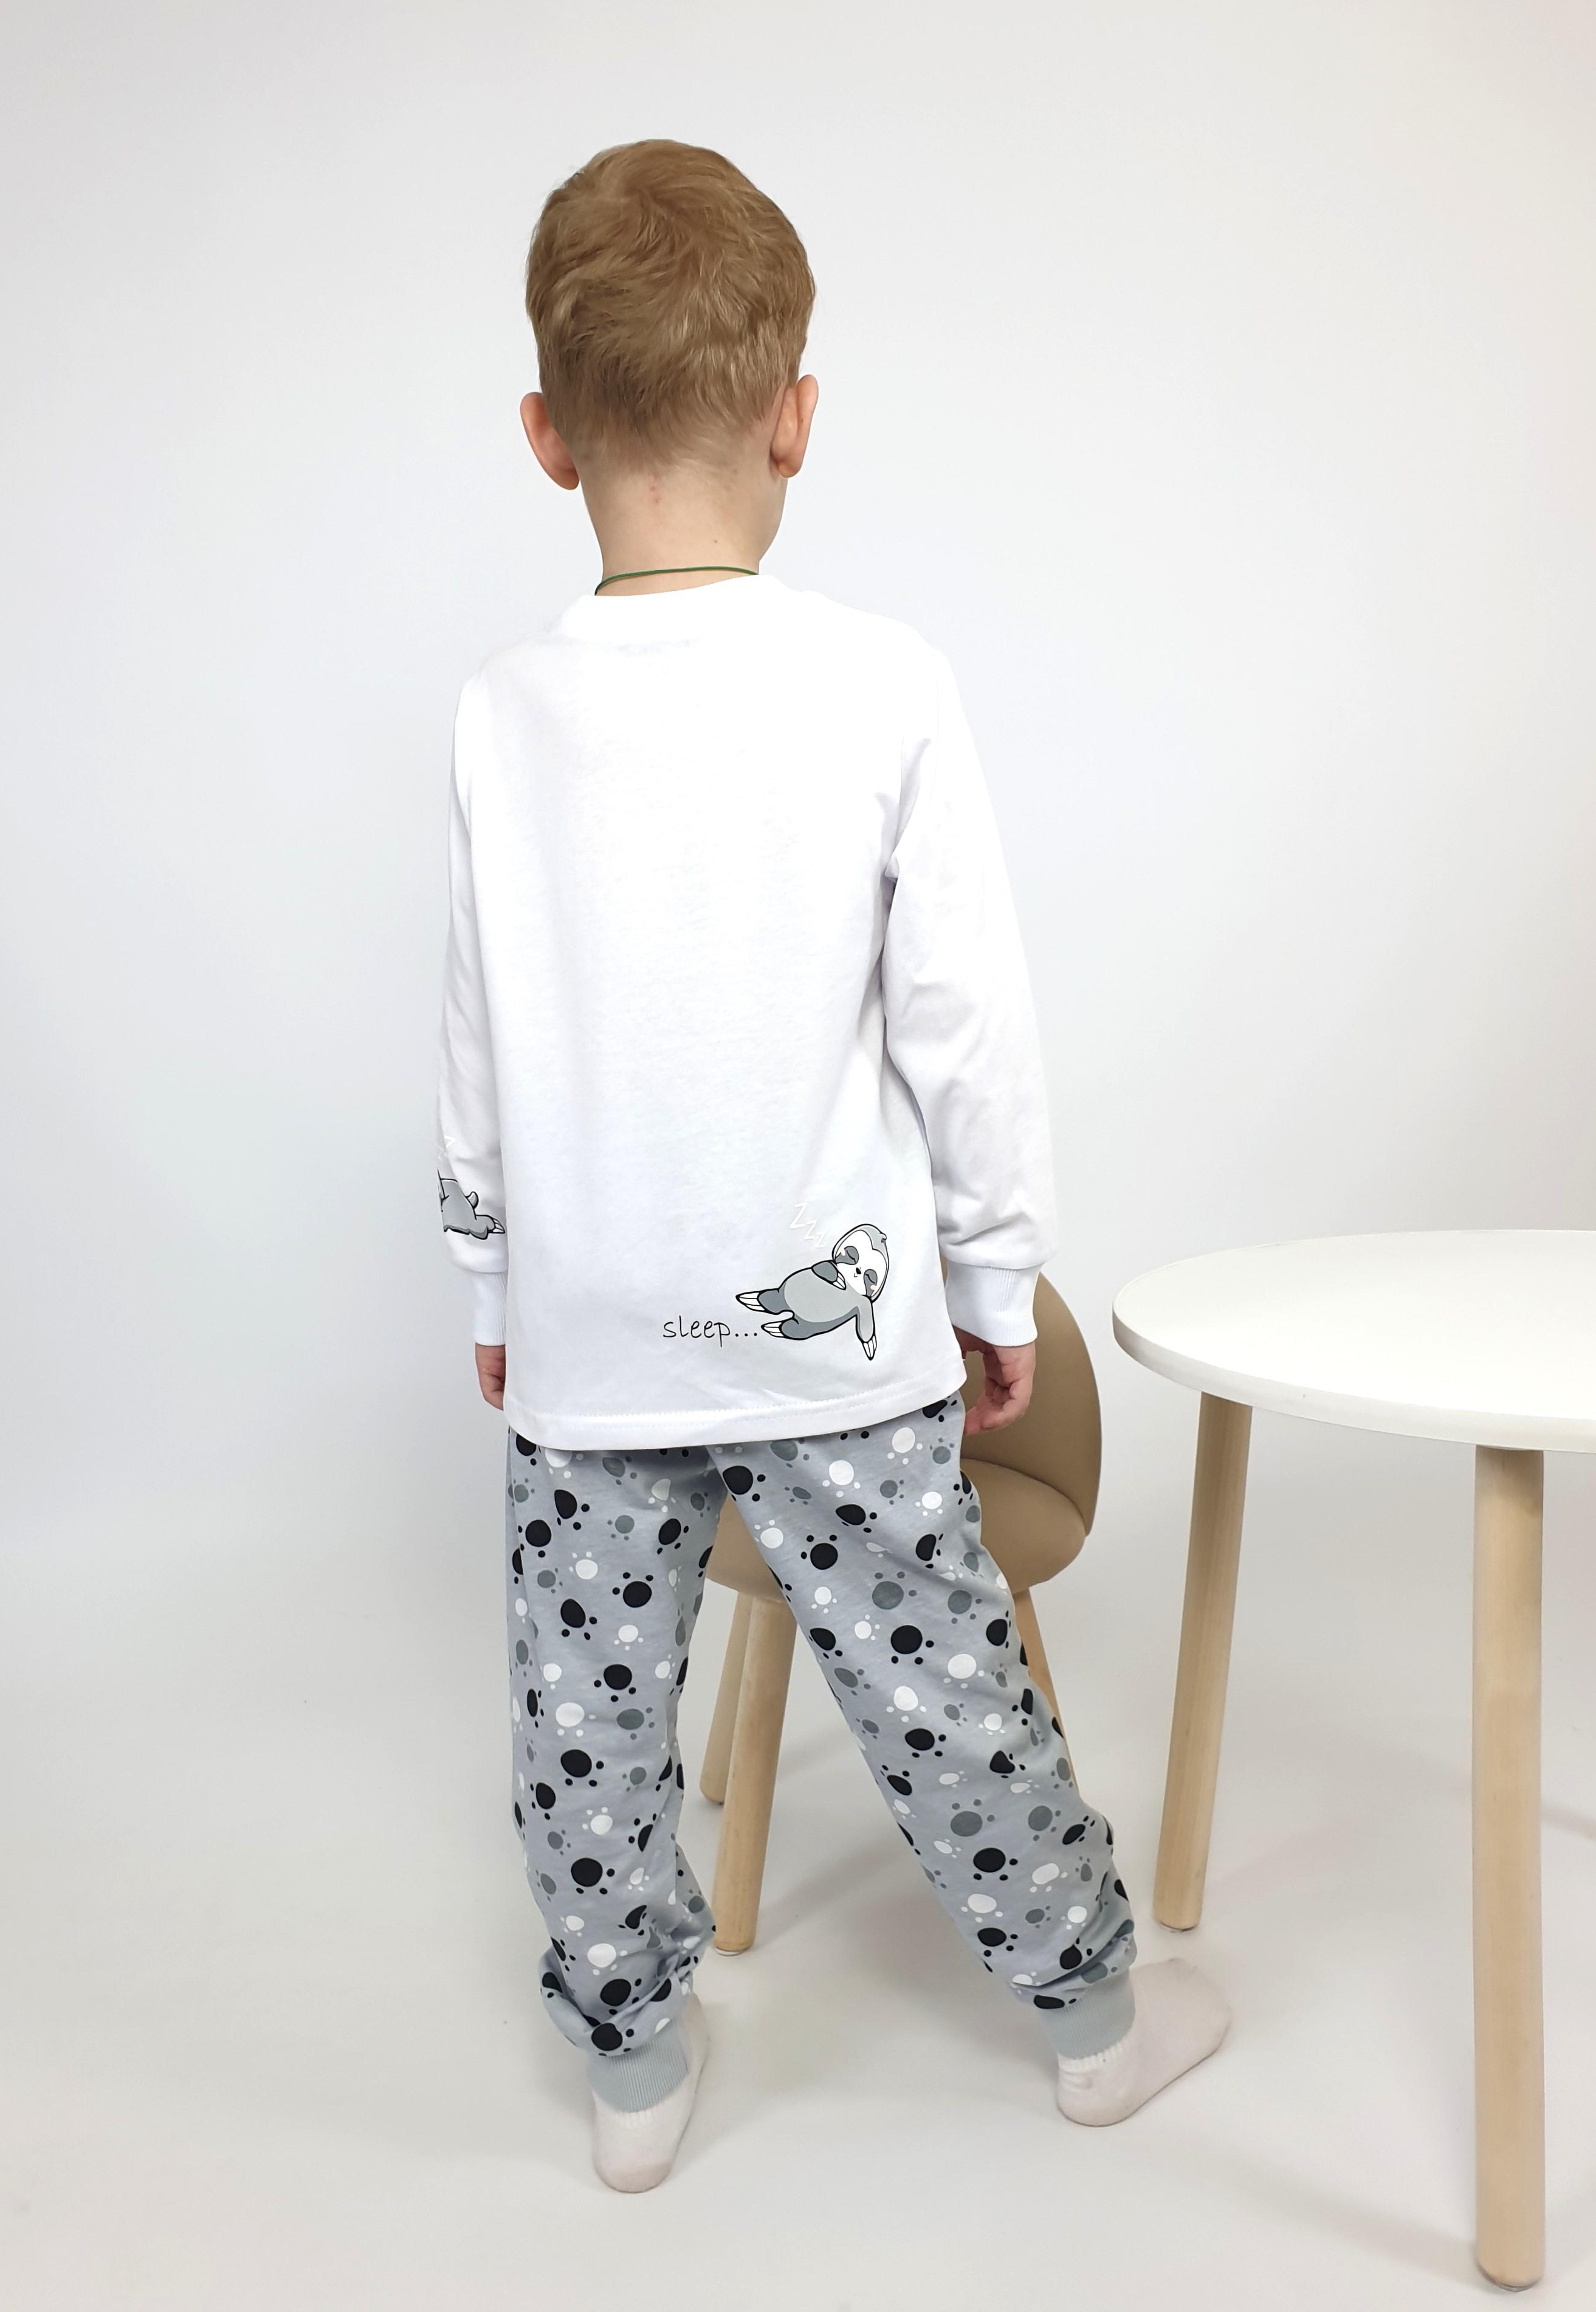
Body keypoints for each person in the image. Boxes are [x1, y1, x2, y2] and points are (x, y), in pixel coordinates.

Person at [435, 139, 1228, 2191]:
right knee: (942, 1681)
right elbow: (966, 1024)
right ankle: (1095, 2027)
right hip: (841, 1332)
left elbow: (477, 1037)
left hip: (592, 1332)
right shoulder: (884, 683)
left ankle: (632, 2077)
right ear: (796, 417)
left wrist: (491, 1282)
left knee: (589, 1721)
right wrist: (994, 1275)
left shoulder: (503, 712)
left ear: (547, 436)